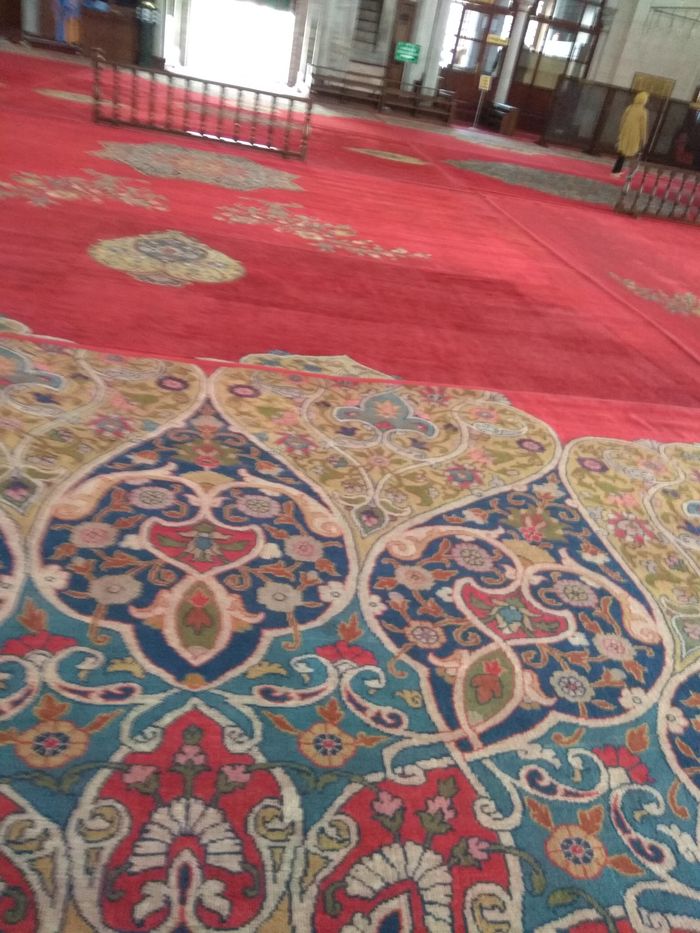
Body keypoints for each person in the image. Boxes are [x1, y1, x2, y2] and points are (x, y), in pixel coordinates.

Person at [612, 91, 649, 176]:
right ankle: (627, 172)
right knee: (632, 153)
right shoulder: (643, 111)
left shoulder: (630, 107)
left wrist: (621, 131)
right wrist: (643, 139)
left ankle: (616, 170)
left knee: (623, 152)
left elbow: (622, 120)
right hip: (635, 135)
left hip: (625, 132)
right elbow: (643, 126)